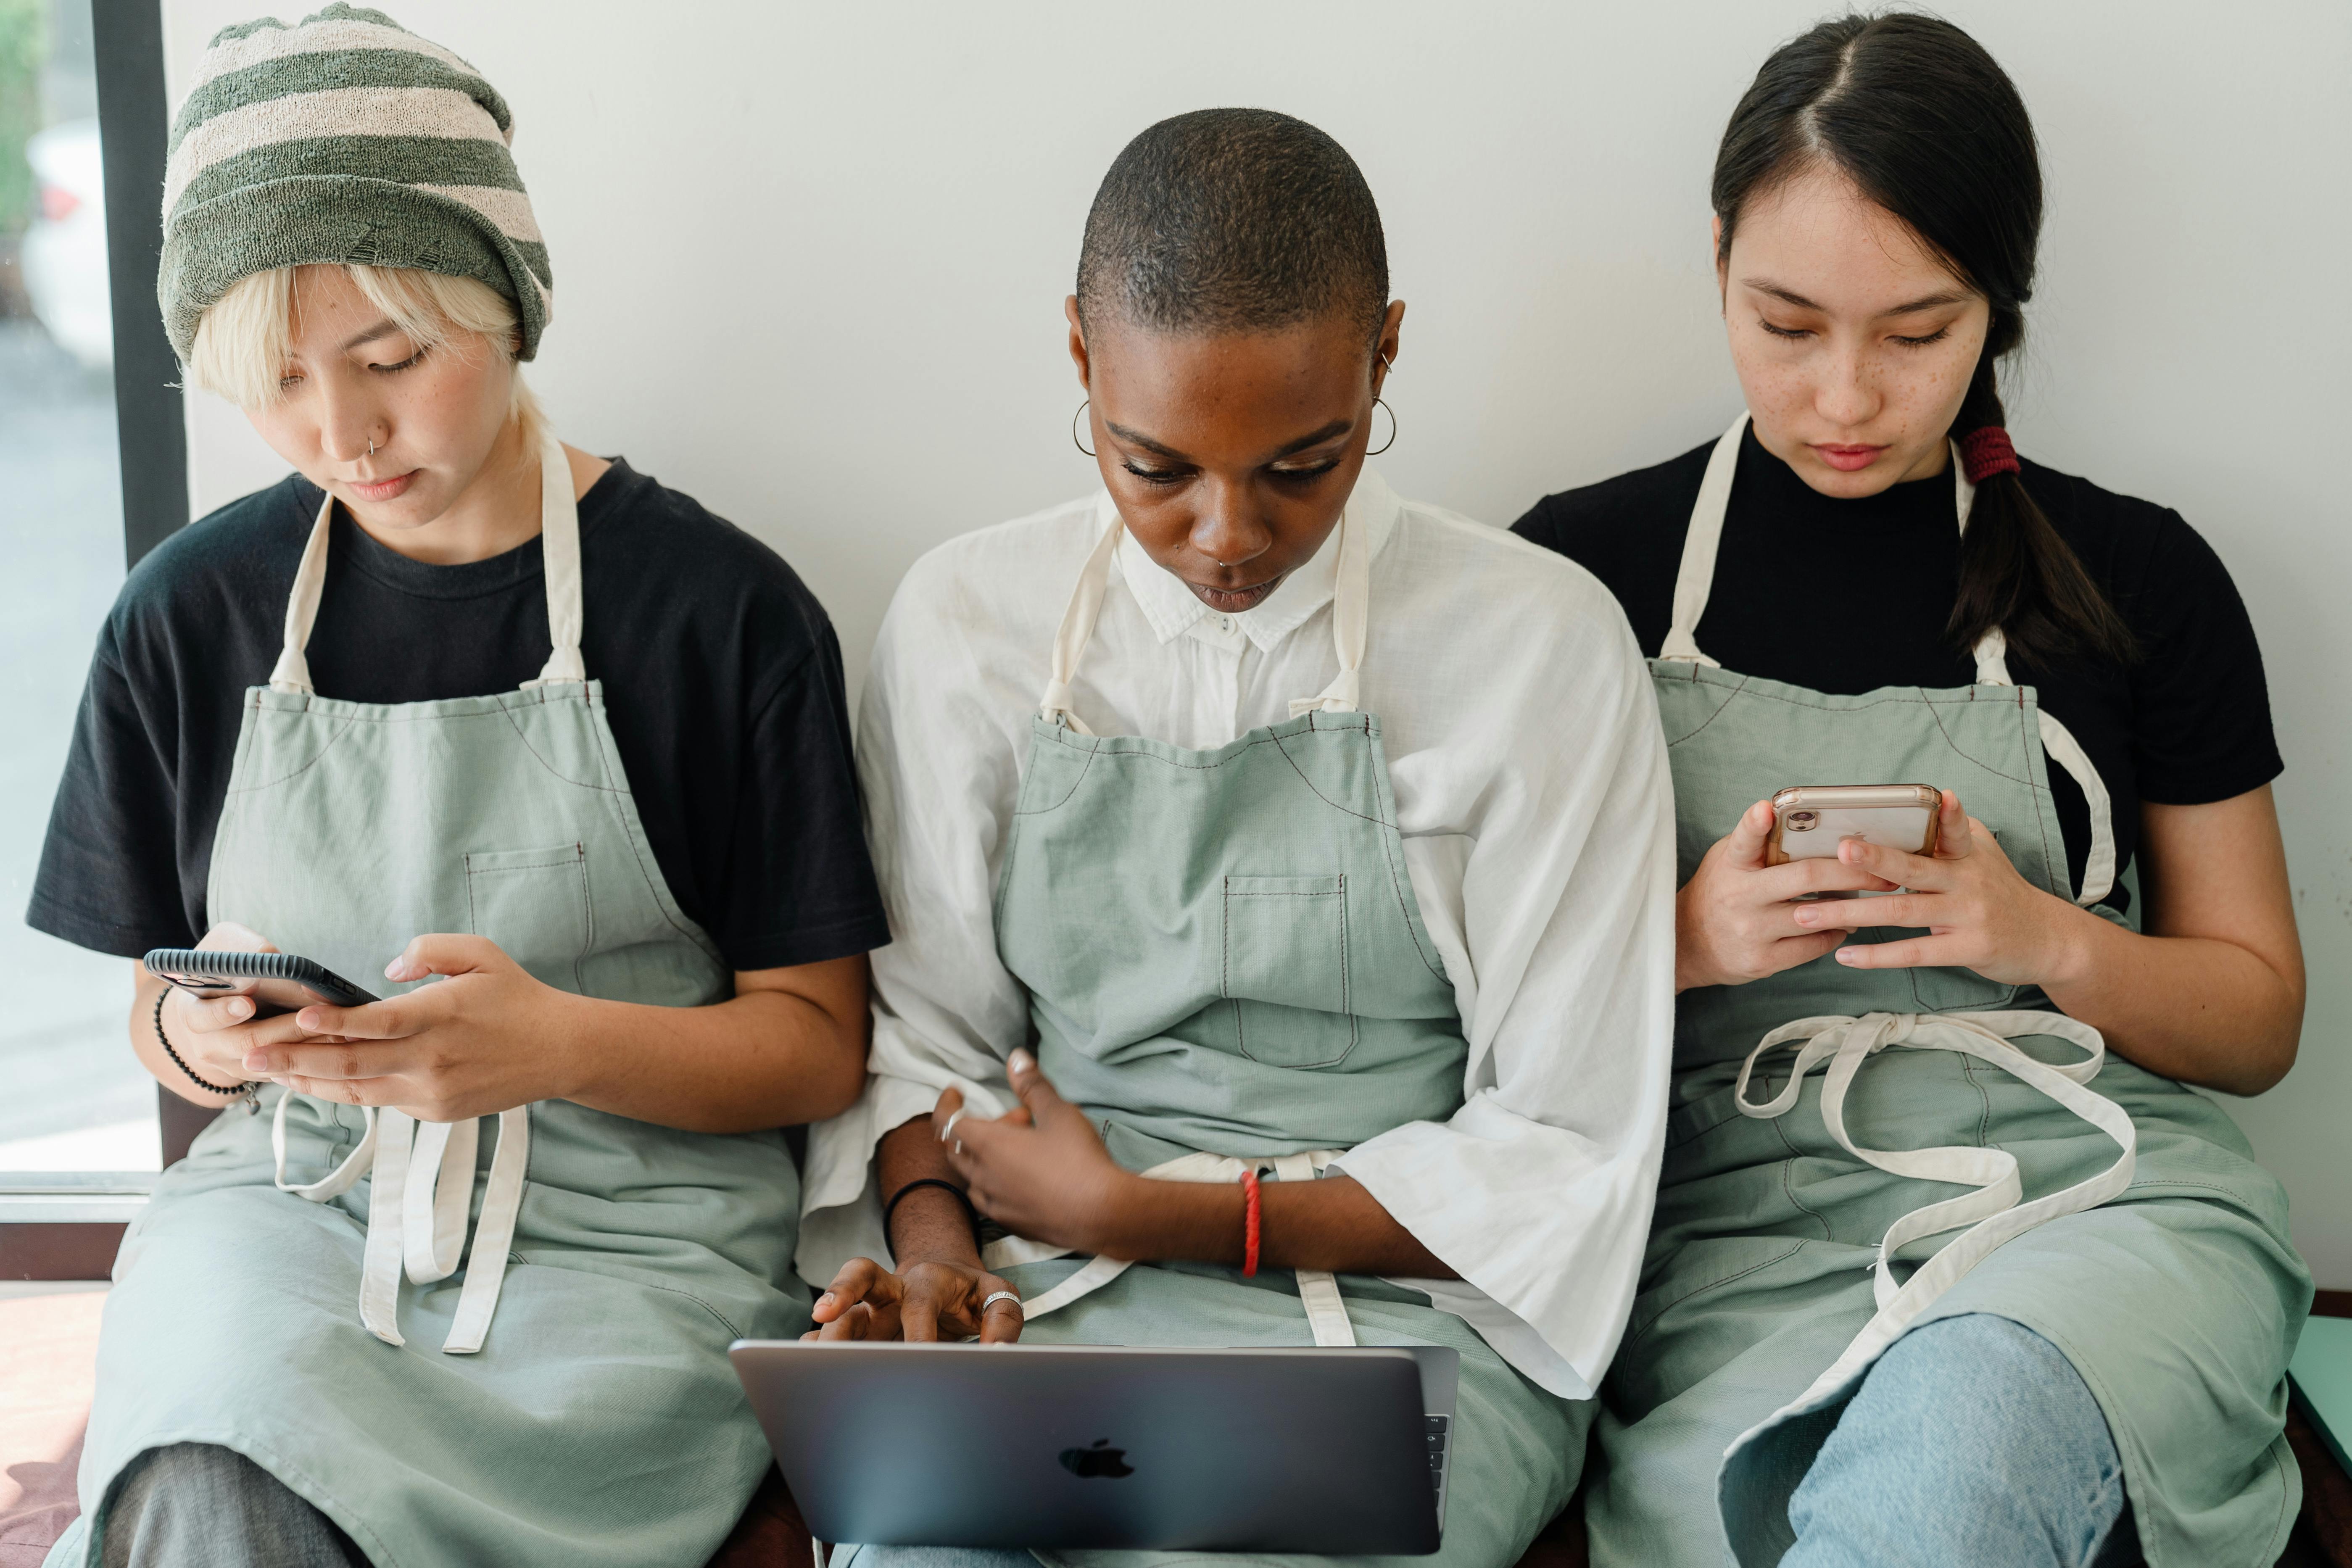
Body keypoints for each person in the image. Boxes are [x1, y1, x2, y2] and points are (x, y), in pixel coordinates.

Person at [26, 8, 889, 1565]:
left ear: (504, 299)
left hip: (633, 1246)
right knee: (215, 1460)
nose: (341, 434)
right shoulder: (188, 613)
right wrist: (213, 1037)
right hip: (296, 1211)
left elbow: (818, 1049)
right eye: (277, 379)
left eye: (391, 358)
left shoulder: (720, 610)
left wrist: (551, 1044)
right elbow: (148, 1009)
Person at [793, 108, 1676, 1568]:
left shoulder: (1537, 643)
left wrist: (1156, 1211)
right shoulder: (965, 622)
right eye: (1153, 469)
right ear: (1079, 354)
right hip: (1050, 1290)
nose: (1226, 535)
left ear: (1385, 353)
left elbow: (1561, 1150)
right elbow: (924, 1042)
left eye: (1301, 465)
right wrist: (944, 1274)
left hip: (1404, 1325)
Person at [1511, 14, 2310, 1568]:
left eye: (1918, 331)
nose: (1846, 397)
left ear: (1996, 311)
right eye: (1786, 323)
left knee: (1962, 1428)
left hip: (2104, 1207)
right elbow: (1456, 1030)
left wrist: (2037, 933)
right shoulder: (1571, 579)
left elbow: (2256, 1019)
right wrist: (1672, 944)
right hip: (1730, 1247)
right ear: (1717, 266)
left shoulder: (2140, 575)